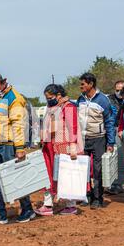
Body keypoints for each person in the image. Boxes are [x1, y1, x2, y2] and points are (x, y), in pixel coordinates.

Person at [0, 70, 35, 225]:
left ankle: (27, 209)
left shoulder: (14, 98)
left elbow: (18, 125)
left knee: (15, 179)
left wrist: (19, 148)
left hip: (9, 147)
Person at [35, 84, 84, 216]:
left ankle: (71, 205)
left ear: (58, 96)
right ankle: (48, 205)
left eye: (50, 97)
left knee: (66, 175)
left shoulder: (68, 107)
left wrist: (73, 145)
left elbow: (72, 126)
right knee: (48, 176)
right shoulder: (51, 108)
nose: (48, 100)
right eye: (46, 98)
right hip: (49, 147)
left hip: (64, 148)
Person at [77, 73, 115, 209]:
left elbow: (110, 121)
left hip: (99, 139)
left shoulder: (103, 100)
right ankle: (87, 195)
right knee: (83, 169)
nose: (80, 86)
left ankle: (98, 198)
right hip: (83, 139)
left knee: (98, 170)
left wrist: (110, 143)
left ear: (91, 84)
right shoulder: (80, 99)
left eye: (83, 84)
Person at [108, 80, 124, 195]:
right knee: (115, 158)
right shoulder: (109, 99)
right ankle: (115, 184)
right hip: (114, 131)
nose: (119, 92)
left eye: (121, 90)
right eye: (117, 90)